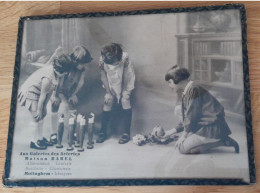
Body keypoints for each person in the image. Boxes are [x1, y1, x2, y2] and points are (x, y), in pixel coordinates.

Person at [158, 65, 239, 154]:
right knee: (178, 109)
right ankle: (202, 138)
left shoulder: (193, 89)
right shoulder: (189, 89)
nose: (169, 85)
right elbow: (187, 117)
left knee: (182, 148)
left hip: (211, 127)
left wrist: (183, 136)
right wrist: (170, 132)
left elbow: (191, 116)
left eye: (170, 82)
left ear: (177, 79)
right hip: (204, 124)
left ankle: (222, 141)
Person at [18, 54, 71, 150]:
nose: (66, 74)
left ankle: (39, 139)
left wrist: (44, 107)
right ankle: (33, 141)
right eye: (65, 73)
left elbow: (50, 92)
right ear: (60, 70)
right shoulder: (48, 78)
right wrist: (39, 109)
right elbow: (43, 94)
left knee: (42, 114)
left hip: (39, 91)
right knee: (36, 116)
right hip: (30, 90)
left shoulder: (58, 75)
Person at [50, 46, 93, 148]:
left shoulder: (81, 70)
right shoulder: (66, 66)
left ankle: (72, 133)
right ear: (75, 61)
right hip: (58, 89)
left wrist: (74, 94)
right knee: (56, 106)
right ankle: (53, 133)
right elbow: (58, 83)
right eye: (81, 63)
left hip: (70, 91)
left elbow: (81, 82)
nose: (83, 66)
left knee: (72, 108)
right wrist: (56, 95)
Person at [97, 43, 135, 144]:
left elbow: (127, 76)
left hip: (124, 79)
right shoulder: (102, 59)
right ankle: (102, 132)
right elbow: (103, 76)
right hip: (111, 80)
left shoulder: (125, 58)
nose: (114, 65)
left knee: (125, 100)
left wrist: (125, 91)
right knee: (108, 100)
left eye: (116, 63)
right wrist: (108, 92)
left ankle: (126, 132)